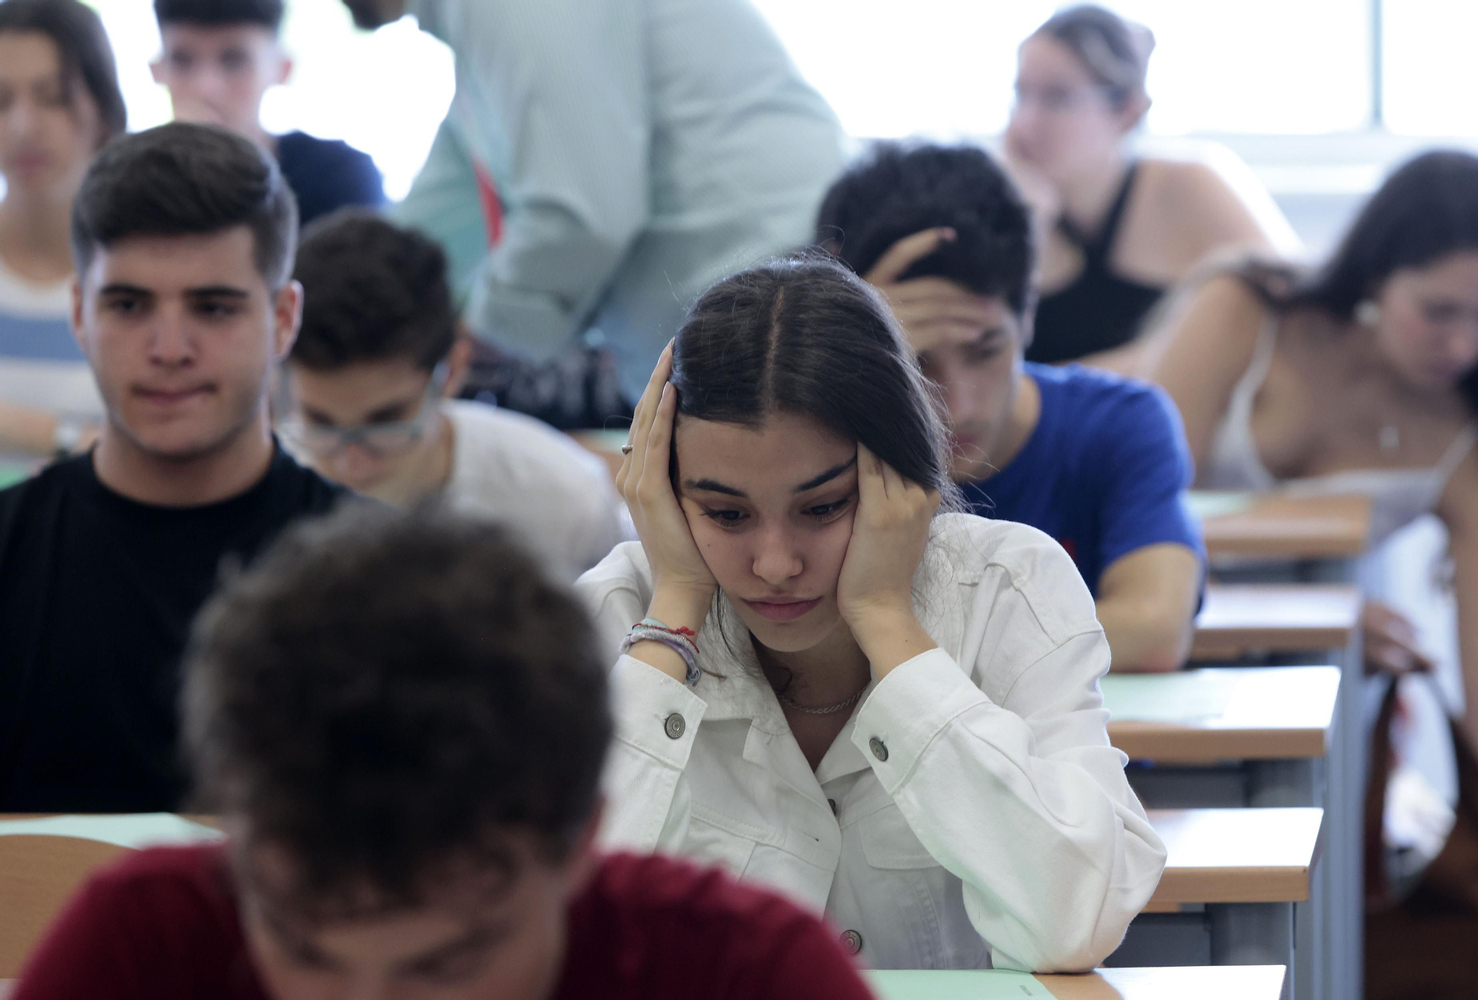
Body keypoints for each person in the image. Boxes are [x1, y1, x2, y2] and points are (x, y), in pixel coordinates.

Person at [11, 506, 878, 1000]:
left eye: (444, 965)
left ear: (580, 846)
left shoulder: (748, 975)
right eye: (305, 952)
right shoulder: (138, 948)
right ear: (237, 849)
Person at [581, 255, 1165, 971]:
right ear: (663, 493)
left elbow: (1076, 921)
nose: (775, 563)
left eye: (824, 507)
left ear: (907, 476)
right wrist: (673, 612)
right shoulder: (619, 616)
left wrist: (887, 619)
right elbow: (567, 940)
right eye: (725, 513)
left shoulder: (1005, 586)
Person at [1144, 149, 1478, 884]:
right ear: (1376, 275)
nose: (1464, 345)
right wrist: (1313, 614)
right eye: (1439, 312)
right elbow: (1135, 519)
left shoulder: (1470, 438)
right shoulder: (1246, 308)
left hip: (1320, 692)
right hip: (1156, 646)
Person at [0, 121, 346, 813]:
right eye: (128, 305)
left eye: (213, 307)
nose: (168, 348)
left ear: (283, 318)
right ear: (79, 313)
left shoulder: (396, 584)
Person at [340, 0, 846, 414]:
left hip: (787, 325)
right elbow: (422, 233)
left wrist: (472, 337)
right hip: (741, 327)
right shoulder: (479, 47)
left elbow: (579, 221)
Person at [817, 143, 1202, 672]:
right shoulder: (816, 443)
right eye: (915, 362)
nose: (958, 405)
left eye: (985, 351)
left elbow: (1154, 631)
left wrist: (884, 638)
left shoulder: (1119, 425)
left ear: (1027, 320)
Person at [282, 210, 624, 582]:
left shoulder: (564, 498)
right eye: (319, 422)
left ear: (452, 371)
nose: (350, 464)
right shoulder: (260, 484)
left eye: (385, 422)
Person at [1005, 4, 1295, 371]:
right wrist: (1024, 225)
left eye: (1057, 97)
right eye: (1021, 94)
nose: (1026, 121)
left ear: (1128, 111)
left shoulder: (1192, 185)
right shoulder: (1010, 204)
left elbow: (1295, 316)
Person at [0, 0, 123, 458]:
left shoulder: (146, 271)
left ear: (105, 109)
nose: (22, 126)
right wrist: (71, 438)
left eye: (52, 97)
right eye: (1, 100)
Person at [151, 0, 385, 227]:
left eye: (234, 60)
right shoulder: (134, 185)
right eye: (182, 61)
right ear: (156, 71)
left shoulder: (340, 176)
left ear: (282, 69)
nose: (207, 87)